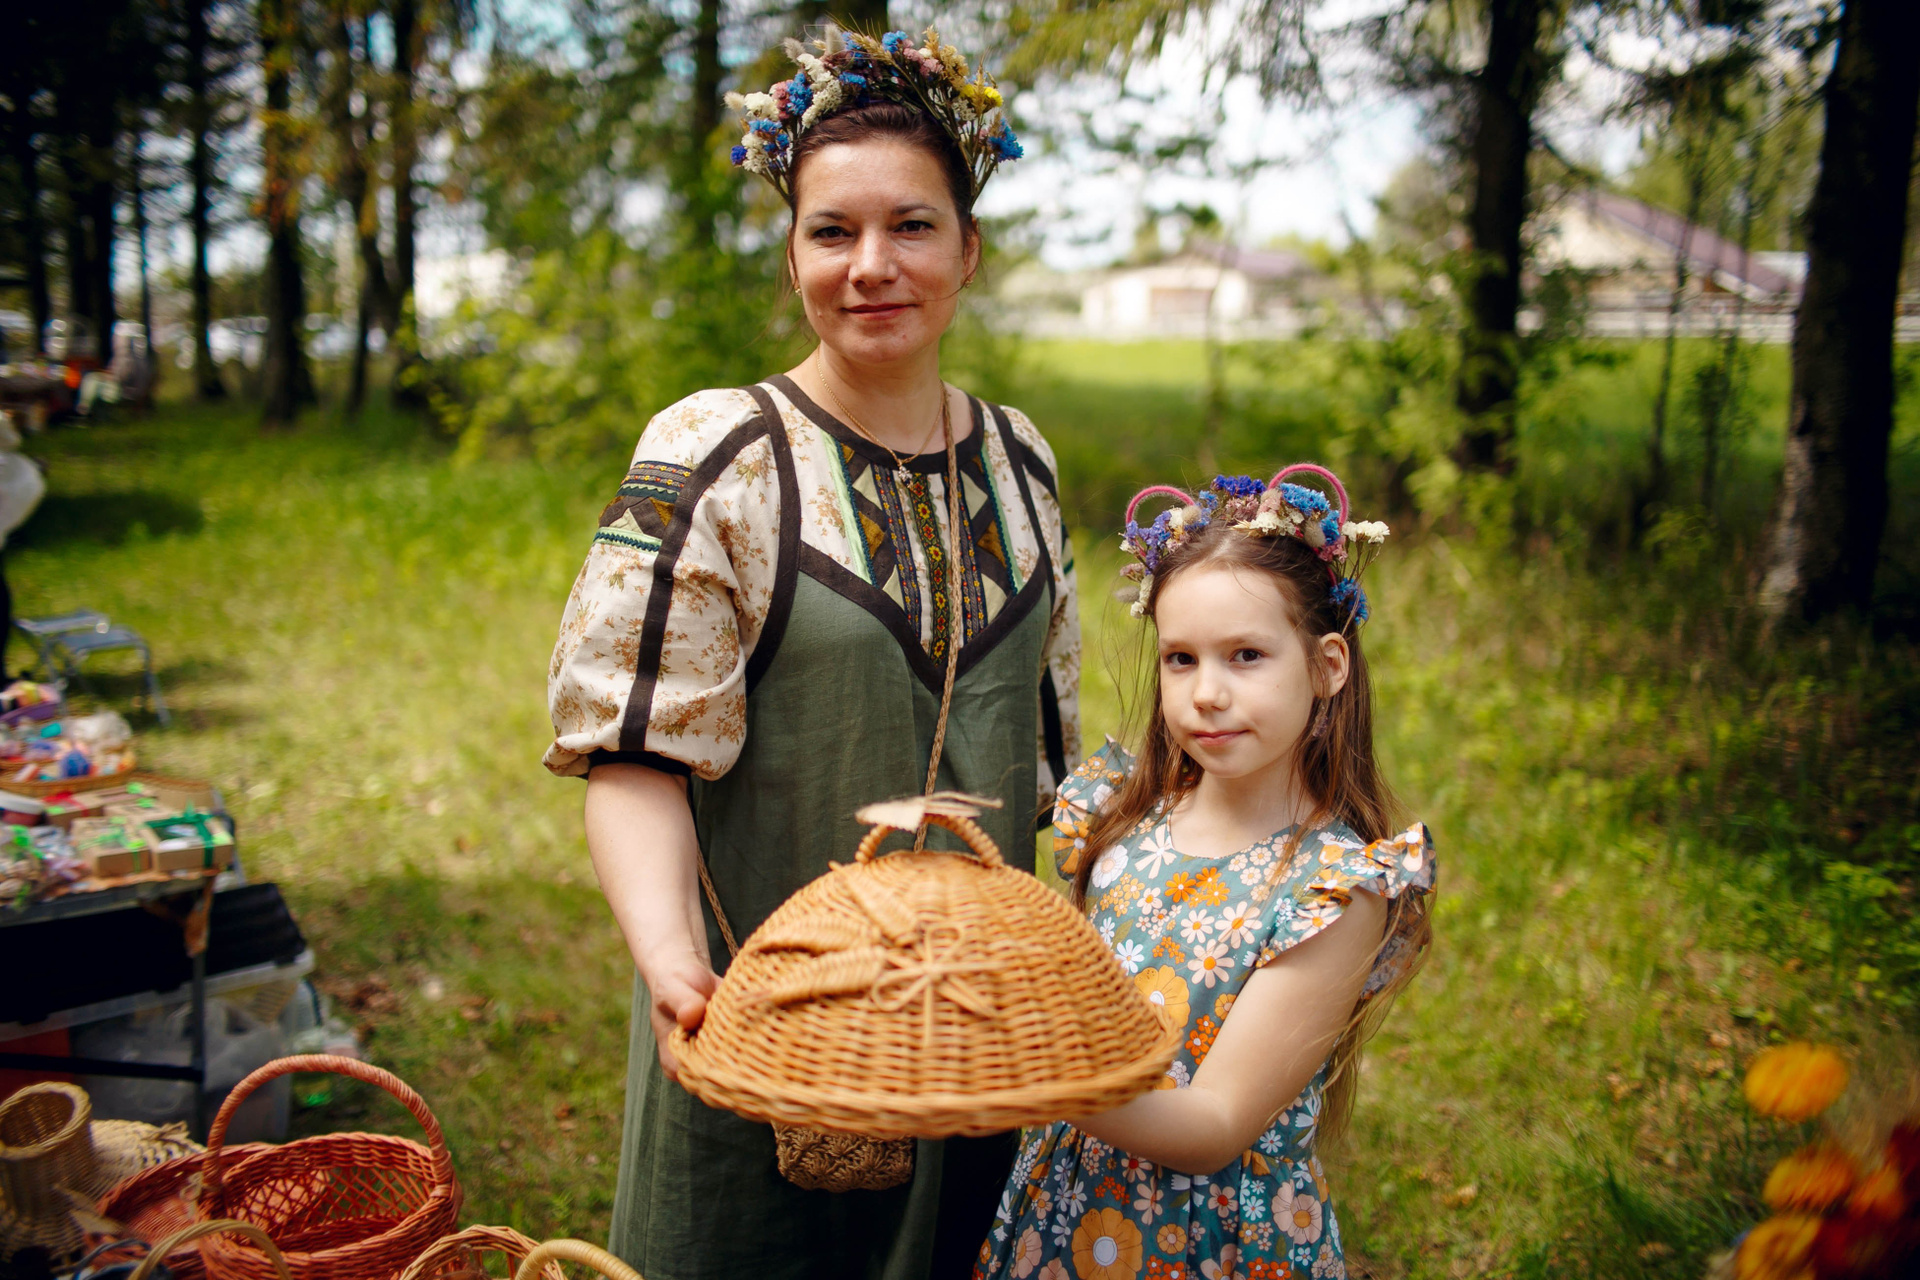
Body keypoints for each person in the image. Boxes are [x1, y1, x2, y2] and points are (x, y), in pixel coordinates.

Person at [544, 27, 1079, 1280]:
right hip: (764, 1034)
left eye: (913, 226)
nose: (871, 264)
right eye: (832, 231)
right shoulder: (716, 455)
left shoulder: (1022, 461)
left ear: (969, 249)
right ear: (793, 257)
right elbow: (635, 756)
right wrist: (676, 965)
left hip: (977, 1041)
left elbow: (1043, 763)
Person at [973, 469, 1435, 1280]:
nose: (1207, 694)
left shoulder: (1334, 890)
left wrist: (1027, 1069)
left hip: (1208, 1240)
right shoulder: (1119, 825)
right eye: (1181, 659)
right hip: (1067, 1210)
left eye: (1246, 656)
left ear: (1327, 666)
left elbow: (1212, 1124)